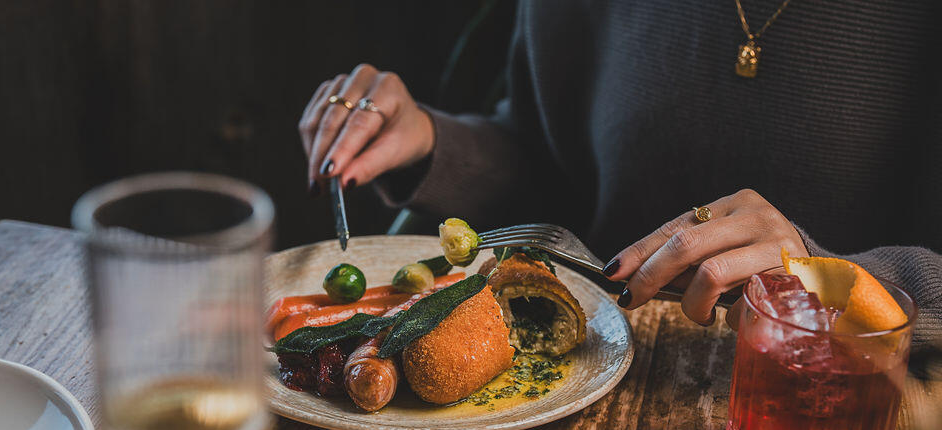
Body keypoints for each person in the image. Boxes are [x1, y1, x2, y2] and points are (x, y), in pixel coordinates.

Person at [298, 0, 941, 348]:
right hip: (585, 374)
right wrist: (431, 144)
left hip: (853, 416)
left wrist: (825, 281)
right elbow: (551, 167)